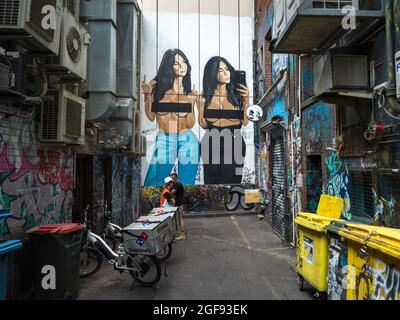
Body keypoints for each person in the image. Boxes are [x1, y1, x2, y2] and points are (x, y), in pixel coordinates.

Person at [142, 49, 200, 186]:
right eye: (176, 63)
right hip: (165, 138)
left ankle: (184, 206)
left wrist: (191, 104)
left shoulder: (188, 93)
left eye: (184, 62)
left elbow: (190, 124)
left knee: (187, 183)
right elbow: (151, 116)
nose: (182, 67)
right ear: (169, 66)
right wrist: (147, 96)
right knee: (153, 181)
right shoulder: (158, 90)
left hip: (187, 139)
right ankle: (156, 206)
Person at [198, 56, 250, 184]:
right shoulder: (206, 95)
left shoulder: (238, 93)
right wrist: (200, 108)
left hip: (235, 141)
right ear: (213, 74)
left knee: (234, 181)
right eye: (220, 70)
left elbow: (245, 122)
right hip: (211, 141)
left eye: (227, 68)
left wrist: (247, 99)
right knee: (211, 182)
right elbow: (204, 125)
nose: (226, 73)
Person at [170, 173, 185, 240]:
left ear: (176, 178)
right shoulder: (175, 184)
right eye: (171, 177)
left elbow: (172, 192)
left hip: (179, 204)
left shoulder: (177, 184)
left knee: (180, 219)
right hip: (178, 204)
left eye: (173, 177)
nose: (172, 179)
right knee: (178, 219)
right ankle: (179, 233)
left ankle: (182, 234)